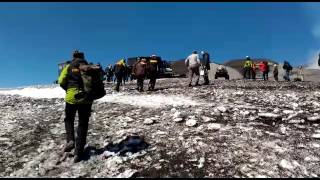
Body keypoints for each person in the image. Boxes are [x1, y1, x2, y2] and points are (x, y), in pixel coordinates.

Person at [58, 50, 94, 163]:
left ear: (73, 57)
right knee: (83, 124)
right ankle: (78, 152)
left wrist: (68, 89)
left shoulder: (68, 66)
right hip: (86, 98)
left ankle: (70, 140)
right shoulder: (88, 66)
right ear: (83, 57)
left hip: (71, 96)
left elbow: (61, 81)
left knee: (69, 119)